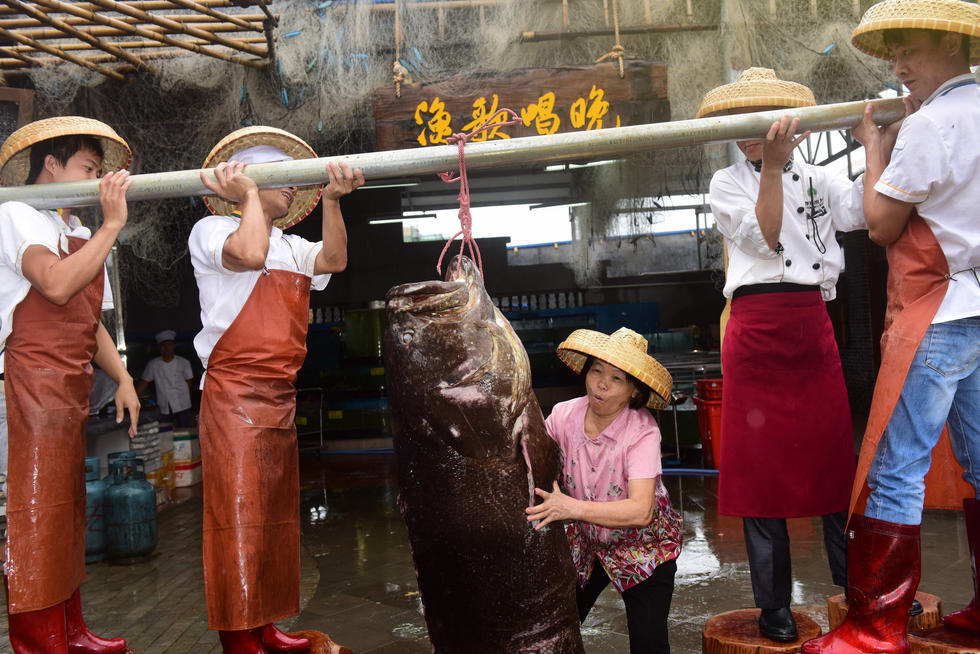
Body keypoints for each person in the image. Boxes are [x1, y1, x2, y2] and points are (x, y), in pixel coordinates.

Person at [803, 2, 980, 652]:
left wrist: (875, 148)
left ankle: (877, 626)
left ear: (951, 43)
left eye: (910, 50)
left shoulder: (931, 124)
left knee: (897, 465)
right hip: (978, 310)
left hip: (936, 313)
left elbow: (879, 224)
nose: (900, 67)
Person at [698, 68, 870, 642]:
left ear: (786, 121)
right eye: (740, 125)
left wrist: (879, 144)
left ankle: (854, 588)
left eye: (762, 122)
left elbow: (868, 214)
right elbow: (767, 237)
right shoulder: (725, 183)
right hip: (755, 330)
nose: (752, 135)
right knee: (759, 471)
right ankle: (773, 604)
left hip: (810, 324)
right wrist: (770, 168)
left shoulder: (822, 177)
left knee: (832, 460)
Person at [190, 126, 362, 653]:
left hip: (279, 396)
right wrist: (245, 198)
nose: (291, 190)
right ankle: (239, 635)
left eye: (293, 183)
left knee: (275, 518)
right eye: (279, 180)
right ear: (246, 181)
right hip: (233, 395)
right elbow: (247, 253)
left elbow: (334, 260)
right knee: (237, 521)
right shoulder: (212, 229)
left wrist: (332, 201)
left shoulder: (290, 246)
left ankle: (266, 624)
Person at [0, 116, 140, 653]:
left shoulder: (71, 229)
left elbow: (90, 319)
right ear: (51, 165)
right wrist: (110, 225)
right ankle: (40, 642)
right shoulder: (16, 214)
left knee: (66, 509)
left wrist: (123, 375)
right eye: (89, 168)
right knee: (35, 512)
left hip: (68, 385)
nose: (96, 179)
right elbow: (56, 285)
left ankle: (71, 630)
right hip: (28, 381)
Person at [526, 327, 683, 654]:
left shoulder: (642, 433)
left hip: (644, 549)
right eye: (597, 370)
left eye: (616, 379)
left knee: (649, 645)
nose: (601, 384)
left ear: (633, 391)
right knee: (550, 627)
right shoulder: (564, 415)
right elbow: (532, 455)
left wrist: (569, 508)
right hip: (587, 544)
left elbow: (640, 511)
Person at [136, 329, 195, 427]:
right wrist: (134, 397)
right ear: (159, 348)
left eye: (169, 344)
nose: (167, 348)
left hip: (182, 403)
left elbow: (189, 381)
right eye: (163, 345)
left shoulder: (184, 362)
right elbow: (144, 382)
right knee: (165, 431)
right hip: (164, 404)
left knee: (184, 430)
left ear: (173, 346)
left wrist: (180, 394)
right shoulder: (153, 364)